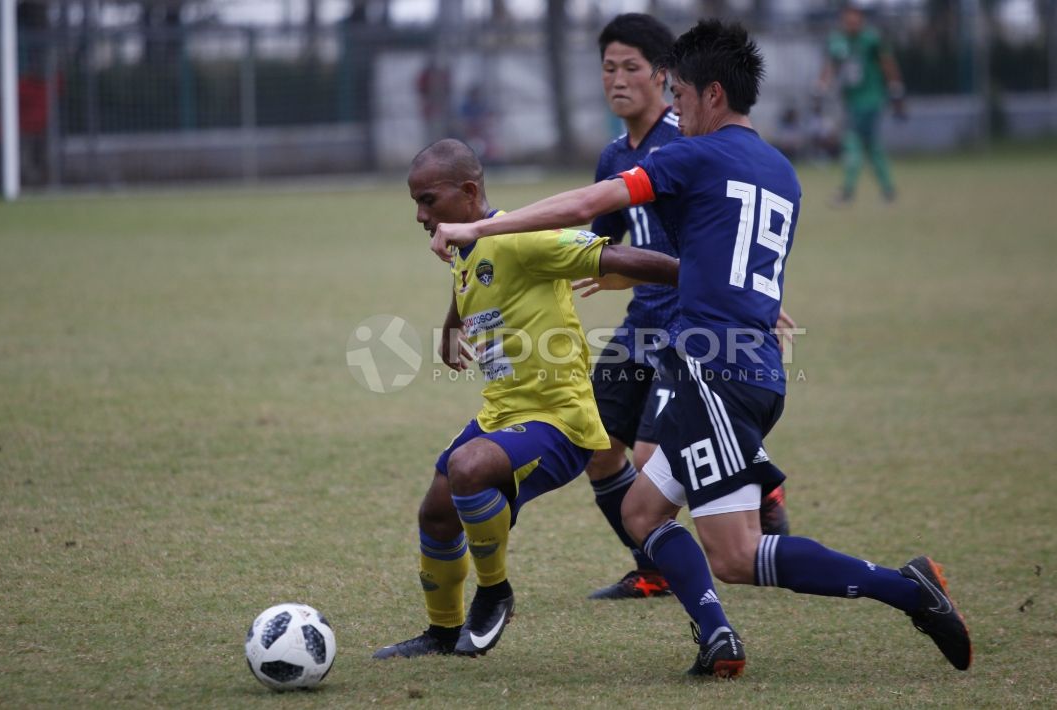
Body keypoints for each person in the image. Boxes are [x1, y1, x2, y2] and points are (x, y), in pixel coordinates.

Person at [431, 20, 972, 678]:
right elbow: (723, 260)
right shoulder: (781, 171)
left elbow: (589, 200)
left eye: (679, 93)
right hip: (740, 365)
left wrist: (481, 225)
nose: (673, 105)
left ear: (713, 95)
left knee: (737, 555)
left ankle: (910, 590)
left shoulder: (694, 155)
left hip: (712, 372)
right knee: (642, 511)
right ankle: (717, 635)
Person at [372, 139, 680, 659]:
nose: (421, 215)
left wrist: (708, 279)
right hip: (504, 412)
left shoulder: (523, 239)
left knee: (469, 468)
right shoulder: (467, 243)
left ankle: (495, 591)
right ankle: (442, 633)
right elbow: (470, 273)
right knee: (436, 513)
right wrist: (451, 325)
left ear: (469, 192)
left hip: (561, 422)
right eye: (416, 204)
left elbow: (614, 255)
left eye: (428, 200)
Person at [584, 12, 790, 602]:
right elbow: (606, 243)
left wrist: (764, 303)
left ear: (662, 75)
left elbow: (741, 234)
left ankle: (752, 476)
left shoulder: (695, 141)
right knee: (597, 444)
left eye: (631, 67)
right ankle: (652, 565)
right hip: (643, 320)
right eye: (607, 68)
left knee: (655, 458)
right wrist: (599, 268)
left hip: (692, 327)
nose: (617, 80)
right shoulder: (612, 157)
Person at [818, 3, 906, 204]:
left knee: (852, 143)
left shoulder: (871, 39)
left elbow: (887, 63)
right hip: (851, 101)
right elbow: (830, 66)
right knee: (872, 146)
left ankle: (848, 191)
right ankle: (888, 190)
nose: (852, 23)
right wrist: (820, 88)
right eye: (848, 19)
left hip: (871, 99)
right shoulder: (838, 40)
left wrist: (896, 89)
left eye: (855, 19)